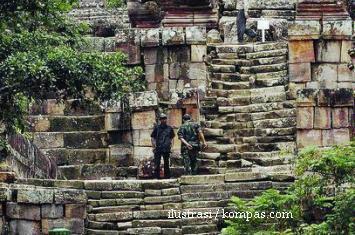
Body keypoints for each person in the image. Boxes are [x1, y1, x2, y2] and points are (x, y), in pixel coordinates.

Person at [151, 113, 175, 179]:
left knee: (166, 162)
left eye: (164, 118)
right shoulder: (157, 128)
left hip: (166, 147)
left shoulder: (170, 128)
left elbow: (172, 137)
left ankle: (167, 177)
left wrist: (172, 146)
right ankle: (156, 176)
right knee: (157, 163)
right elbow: (152, 137)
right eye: (162, 119)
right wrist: (154, 146)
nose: (163, 120)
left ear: (166, 119)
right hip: (158, 147)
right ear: (160, 120)